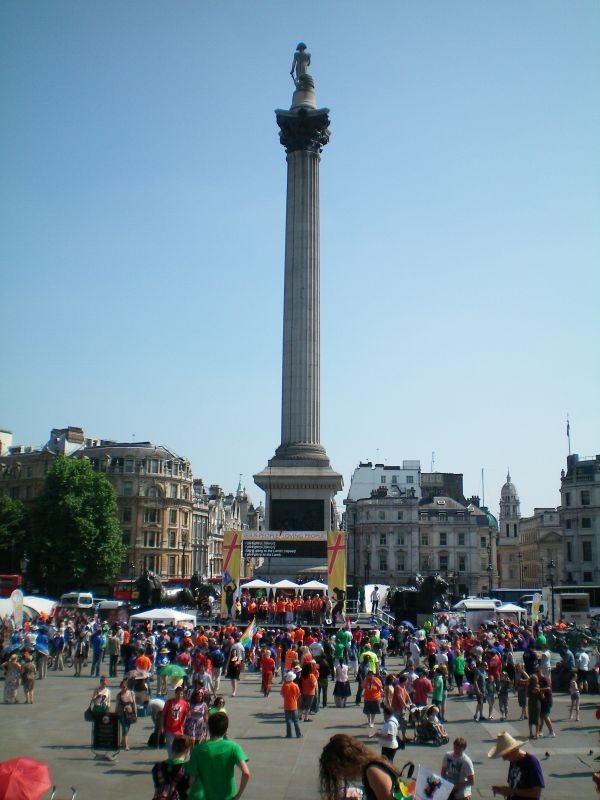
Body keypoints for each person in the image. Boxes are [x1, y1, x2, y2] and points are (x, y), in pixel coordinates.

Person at [185, 711, 250, 800]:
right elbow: (246, 773)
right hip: (228, 796)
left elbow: (191, 780)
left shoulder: (198, 749)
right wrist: (238, 795)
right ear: (226, 729)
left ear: (208, 727)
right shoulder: (233, 747)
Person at [319, 733, 402, 800]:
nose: (340, 775)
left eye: (337, 770)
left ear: (345, 762)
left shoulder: (373, 771)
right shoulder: (373, 765)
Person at [489, 732, 544, 799]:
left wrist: (511, 791)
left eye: (505, 755)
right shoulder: (513, 760)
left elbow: (536, 793)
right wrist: (503, 790)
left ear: (514, 750)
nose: (504, 759)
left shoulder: (531, 762)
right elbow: (516, 786)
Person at [151, 734, 191, 799]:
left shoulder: (157, 767)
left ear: (172, 748)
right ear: (187, 751)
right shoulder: (188, 768)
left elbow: (157, 788)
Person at [161, 685, 191, 758]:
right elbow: (163, 715)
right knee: (170, 747)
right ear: (175, 693)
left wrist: (189, 710)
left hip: (179, 729)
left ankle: (178, 761)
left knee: (179, 747)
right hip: (169, 728)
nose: (179, 695)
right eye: (178, 693)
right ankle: (171, 761)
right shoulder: (169, 702)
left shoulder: (185, 703)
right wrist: (162, 727)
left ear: (183, 694)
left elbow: (188, 716)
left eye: (181, 694)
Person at [115, 677, 137, 751]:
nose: (122, 688)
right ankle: (126, 745)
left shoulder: (131, 693)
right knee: (125, 728)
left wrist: (135, 713)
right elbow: (117, 705)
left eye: (124, 687)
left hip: (130, 714)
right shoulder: (119, 695)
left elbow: (134, 703)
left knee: (128, 728)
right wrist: (115, 713)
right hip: (122, 714)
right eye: (121, 687)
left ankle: (122, 741)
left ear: (127, 687)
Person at [280, 670, 302, 739]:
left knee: (288, 720)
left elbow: (282, 694)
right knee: (296, 720)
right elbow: (298, 694)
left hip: (286, 705)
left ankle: (289, 734)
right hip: (294, 705)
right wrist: (295, 698)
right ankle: (298, 734)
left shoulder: (285, 685)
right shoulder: (295, 685)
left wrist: (286, 697)